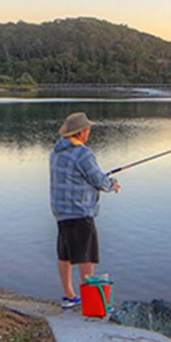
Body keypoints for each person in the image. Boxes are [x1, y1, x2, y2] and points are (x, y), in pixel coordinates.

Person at [50, 111, 120, 309]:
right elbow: (98, 180)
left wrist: (102, 180)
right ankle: (90, 301)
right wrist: (112, 184)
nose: (89, 132)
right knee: (86, 256)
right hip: (80, 212)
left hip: (60, 212)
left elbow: (77, 177)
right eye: (87, 129)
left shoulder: (56, 151)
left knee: (65, 254)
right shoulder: (83, 153)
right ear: (80, 132)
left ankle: (69, 296)